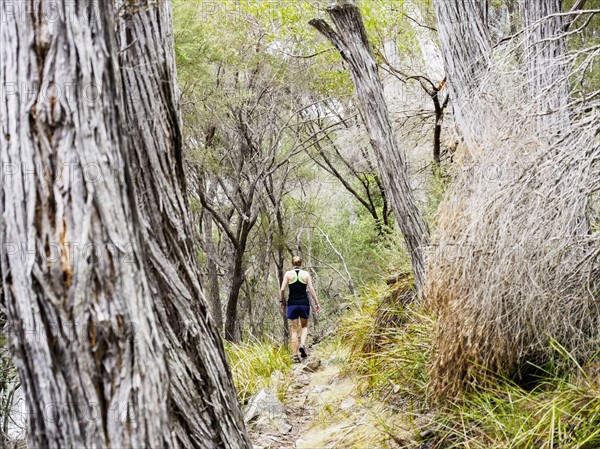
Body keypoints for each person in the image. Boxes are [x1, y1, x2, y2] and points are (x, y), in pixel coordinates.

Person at [280, 256, 321, 363]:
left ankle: (294, 355)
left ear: (292, 264)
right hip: (304, 304)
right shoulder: (306, 274)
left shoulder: (288, 274)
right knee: (304, 327)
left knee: (294, 330)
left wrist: (281, 301)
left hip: (292, 304)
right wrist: (316, 302)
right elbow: (311, 289)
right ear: (301, 263)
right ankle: (302, 344)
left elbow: (282, 289)